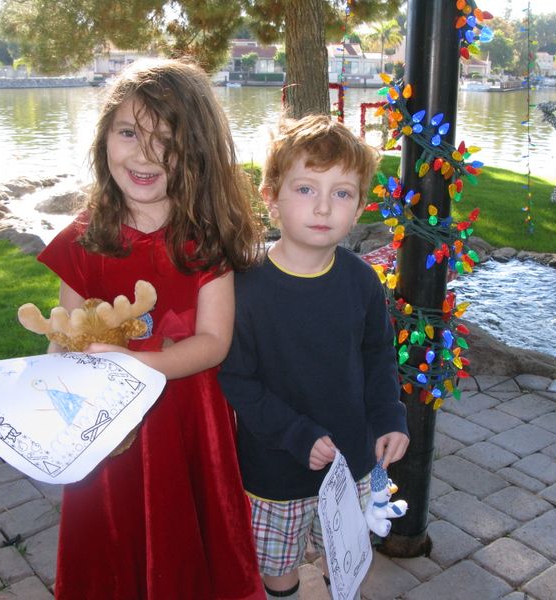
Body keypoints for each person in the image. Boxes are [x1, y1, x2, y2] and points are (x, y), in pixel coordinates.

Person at [36, 58, 265, 600]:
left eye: (167, 138)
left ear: (198, 152)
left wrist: (139, 366)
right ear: (104, 138)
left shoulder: (205, 243)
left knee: (185, 540)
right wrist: (48, 393)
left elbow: (213, 343)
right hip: (107, 432)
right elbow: (65, 334)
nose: (143, 153)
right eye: (128, 132)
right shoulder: (84, 239)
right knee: (113, 538)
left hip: (184, 421)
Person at [218, 115, 409, 600]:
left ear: (360, 206)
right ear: (271, 197)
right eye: (306, 189)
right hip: (274, 466)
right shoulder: (244, 286)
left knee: (342, 552)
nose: (324, 206)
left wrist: (389, 416)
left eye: (342, 193)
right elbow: (236, 378)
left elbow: (377, 356)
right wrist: (296, 432)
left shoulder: (362, 282)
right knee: (278, 566)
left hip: (353, 461)